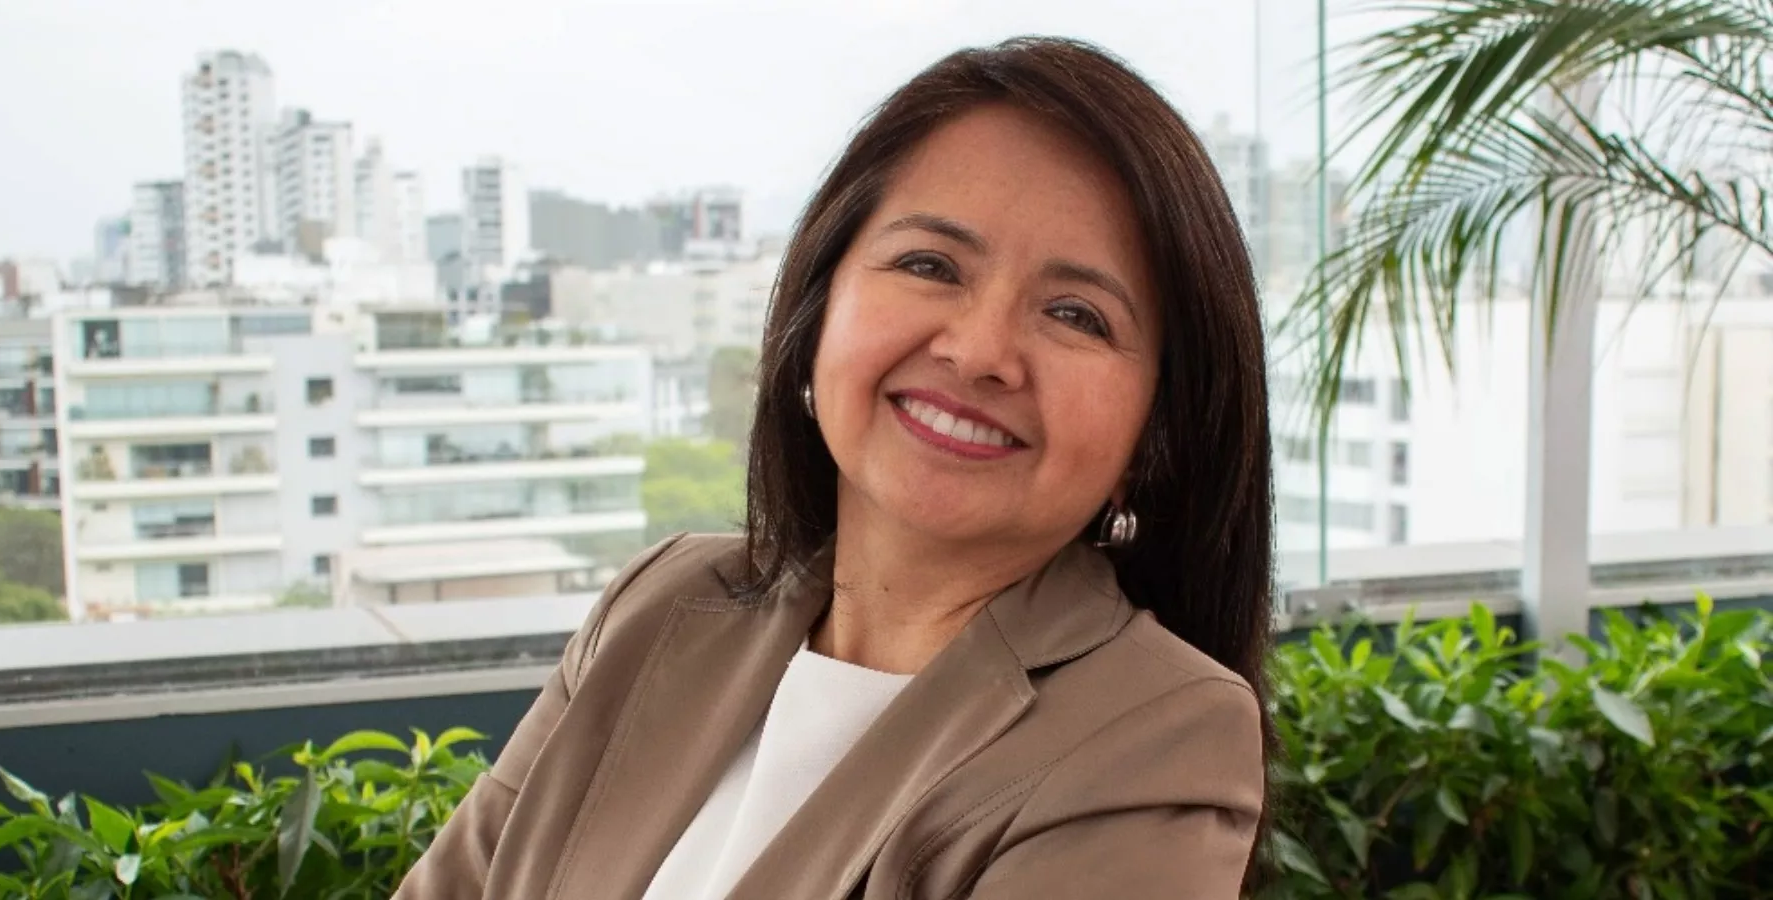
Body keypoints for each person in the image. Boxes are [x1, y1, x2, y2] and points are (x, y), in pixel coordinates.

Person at [395, 36, 1274, 900]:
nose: (978, 352)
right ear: (817, 311)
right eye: (930, 265)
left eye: (1077, 315)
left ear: (1154, 434)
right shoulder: (658, 604)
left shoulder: (1159, 734)